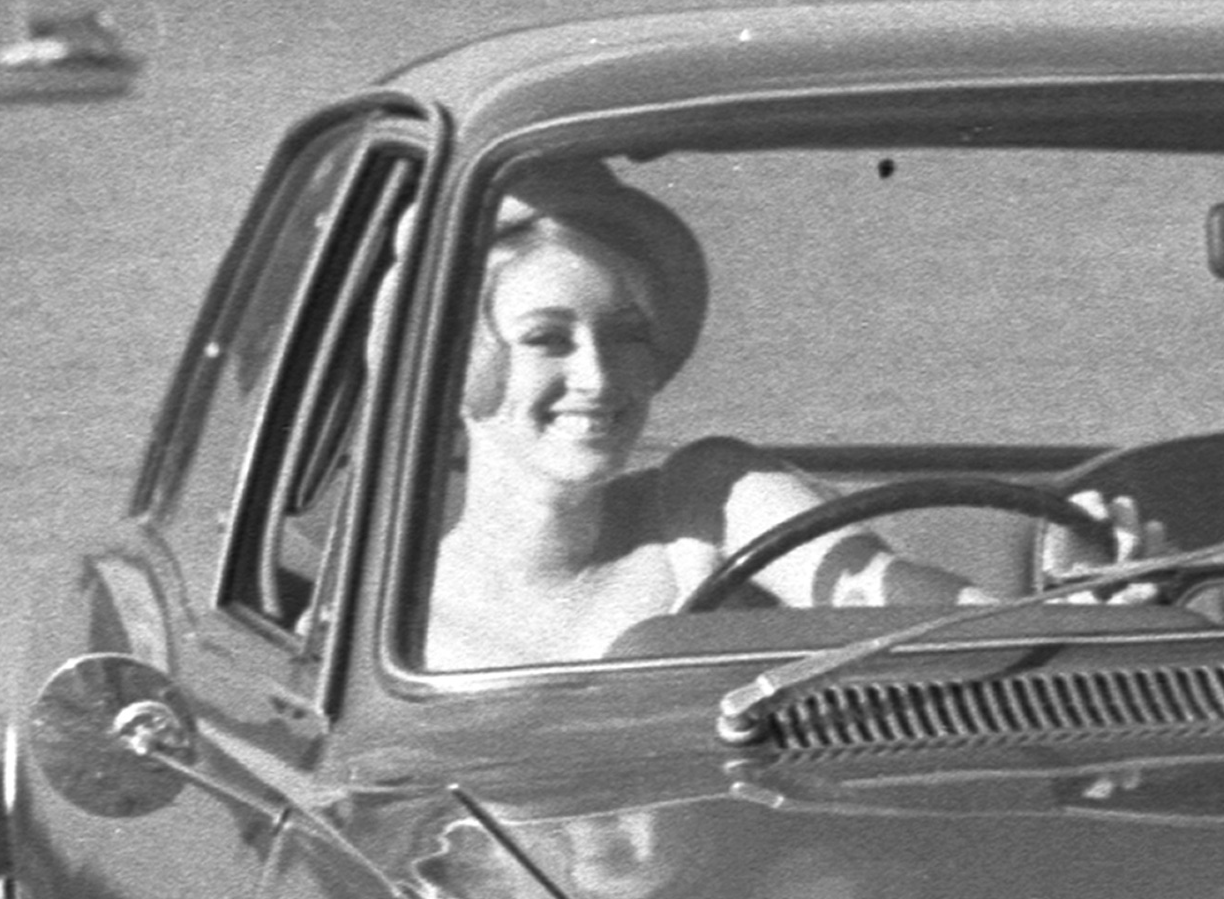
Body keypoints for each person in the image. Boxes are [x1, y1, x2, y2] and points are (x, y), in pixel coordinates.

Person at [420, 161, 993, 661]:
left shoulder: (706, 502)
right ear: (459, 361)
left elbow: (883, 596)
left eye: (628, 335)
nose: (598, 377)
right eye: (546, 339)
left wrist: (1065, 616)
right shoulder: (388, 617)